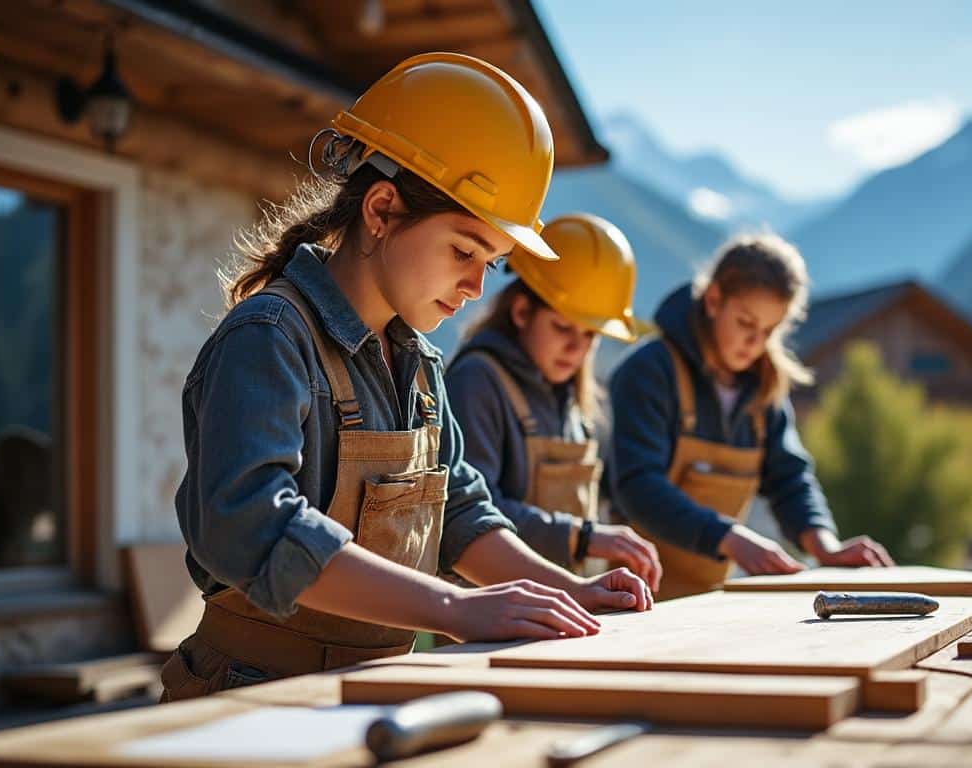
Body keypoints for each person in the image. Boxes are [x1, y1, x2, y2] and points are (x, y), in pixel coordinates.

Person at [161, 53, 651, 703]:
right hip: (249, 699)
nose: (477, 286)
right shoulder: (269, 339)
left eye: (491, 262)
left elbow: (461, 515)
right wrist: (453, 607)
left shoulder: (418, 363)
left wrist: (568, 587)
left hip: (372, 691)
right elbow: (251, 525)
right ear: (383, 209)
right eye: (464, 250)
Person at [608, 233, 893, 600]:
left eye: (769, 331)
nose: (755, 344)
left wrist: (824, 545)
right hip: (636, 599)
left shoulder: (763, 387)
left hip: (711, 599)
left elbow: (790, 479)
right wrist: (730, 538)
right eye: (745, 323)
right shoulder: (648, 372)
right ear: (713, 300)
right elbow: (638, 487)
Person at [446, 214, 662, 591]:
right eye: (562, 328)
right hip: (490, 617)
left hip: (565, 605)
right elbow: (470, 510)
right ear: (522, 312)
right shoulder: (477, 381)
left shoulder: (576, 401)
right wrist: (582, 536)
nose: (576, 348)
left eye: (590, 335)